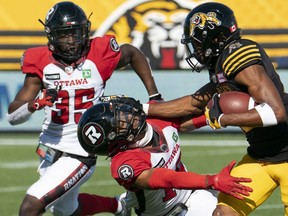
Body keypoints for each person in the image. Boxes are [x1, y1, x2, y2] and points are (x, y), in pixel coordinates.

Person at [131, 2, 288, 216]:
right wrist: (141, 110)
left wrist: (223, 119)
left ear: (214, 37)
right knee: (223, 213)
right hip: (262, 156)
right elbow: (193, 103)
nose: (194, 49)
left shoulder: (237, 53)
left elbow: (275, 112)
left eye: (196, 42)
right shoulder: (222, 64)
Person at [7, 2, 161, 216]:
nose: (71, 41)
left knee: (30, 206)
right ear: (52, 37)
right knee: (66, 211)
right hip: (49, 149)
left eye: (75, 33)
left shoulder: (98, 54)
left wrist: (154, 95)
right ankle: (119, 206)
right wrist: (34, 105)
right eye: (64, 35)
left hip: (81, 150)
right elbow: (12, 116)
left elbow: (132, 53)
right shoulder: (41, 63)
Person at [77, 99, 253, 216]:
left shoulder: (157, 120)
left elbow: (190, 119)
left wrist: (221, 114)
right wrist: (210, 180)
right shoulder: (125, 164)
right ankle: (119, 204)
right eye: (120, 123)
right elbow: (168, 179)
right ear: (115, 142)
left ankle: (121, 203)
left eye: (122, 113)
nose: (128, 116)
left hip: (192, 196)